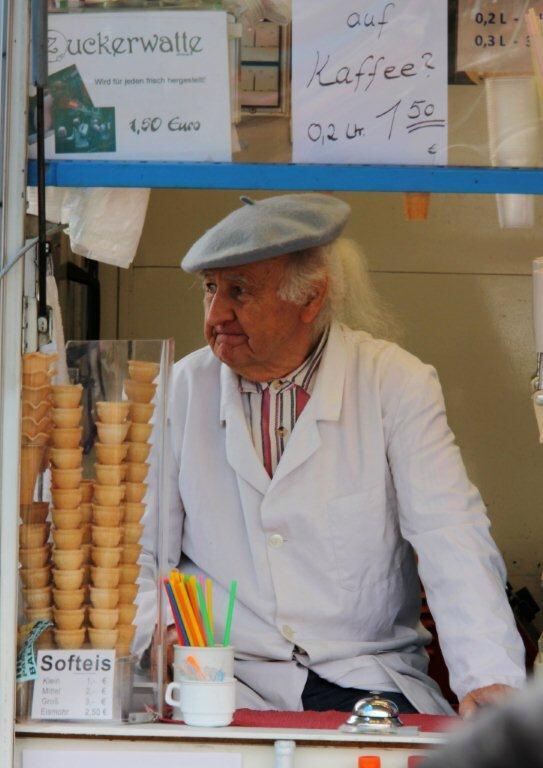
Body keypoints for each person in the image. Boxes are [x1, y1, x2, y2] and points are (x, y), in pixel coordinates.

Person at [141, 193, 525, 715]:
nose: (216, 314)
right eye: (210, 288)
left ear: (311, 297)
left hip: (364, 674)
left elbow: (449, 533)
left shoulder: (394, 381)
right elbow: (139, 549)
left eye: (239, 291)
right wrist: (163, 631)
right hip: (224, 675)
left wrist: (488, 677)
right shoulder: (179, 388)